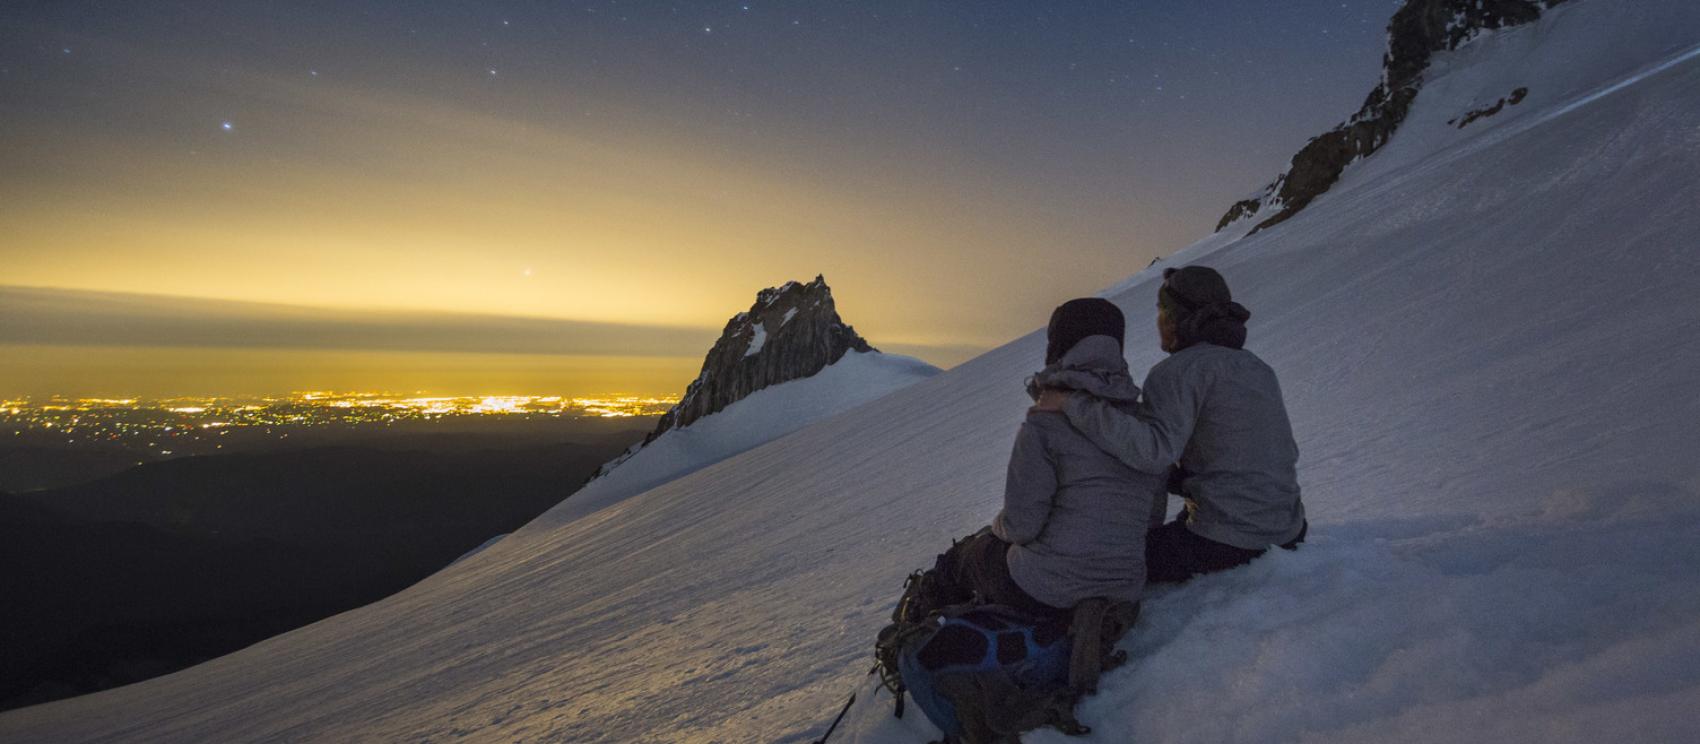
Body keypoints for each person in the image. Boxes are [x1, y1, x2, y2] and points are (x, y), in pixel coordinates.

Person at [1036, 266, 1306, 584]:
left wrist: (1072, 403)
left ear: (1177, 318)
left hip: (1230, 541)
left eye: (1162, 311)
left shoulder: (1178, 371)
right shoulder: (1257, 367)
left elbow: (1152, 455)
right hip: (1290, 529)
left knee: (1097, 561)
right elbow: (1246, 454)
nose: (1159, 322)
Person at [929, 298, 1167, 617]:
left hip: (1045, 589)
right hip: (1124, 589)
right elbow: (1152, 518)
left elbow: (1021, 526)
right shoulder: (1142, 427)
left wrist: (993, 530)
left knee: (963, 559)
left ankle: (932, 636)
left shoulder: (1044, 422)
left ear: (1058, 346)